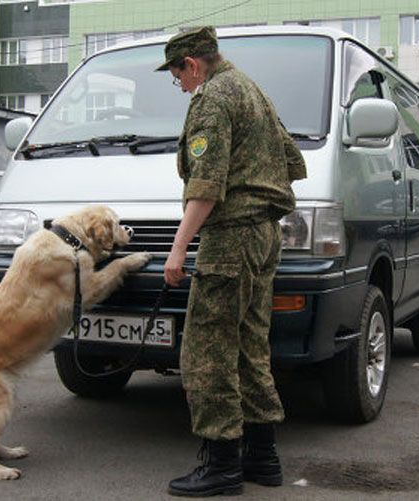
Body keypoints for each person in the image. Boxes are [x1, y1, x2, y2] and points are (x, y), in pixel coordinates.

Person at [156, 26, 306, 497]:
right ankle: (262, 457)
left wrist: (178, 247)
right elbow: (292, 160)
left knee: (207, 350)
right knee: (249, 345)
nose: (178, 82)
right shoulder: (251, 90)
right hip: (265, 234)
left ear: (193, 64)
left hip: (231, 237)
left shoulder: (213, 97)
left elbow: (206, 184)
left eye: (177, 73)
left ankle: (221, 462)